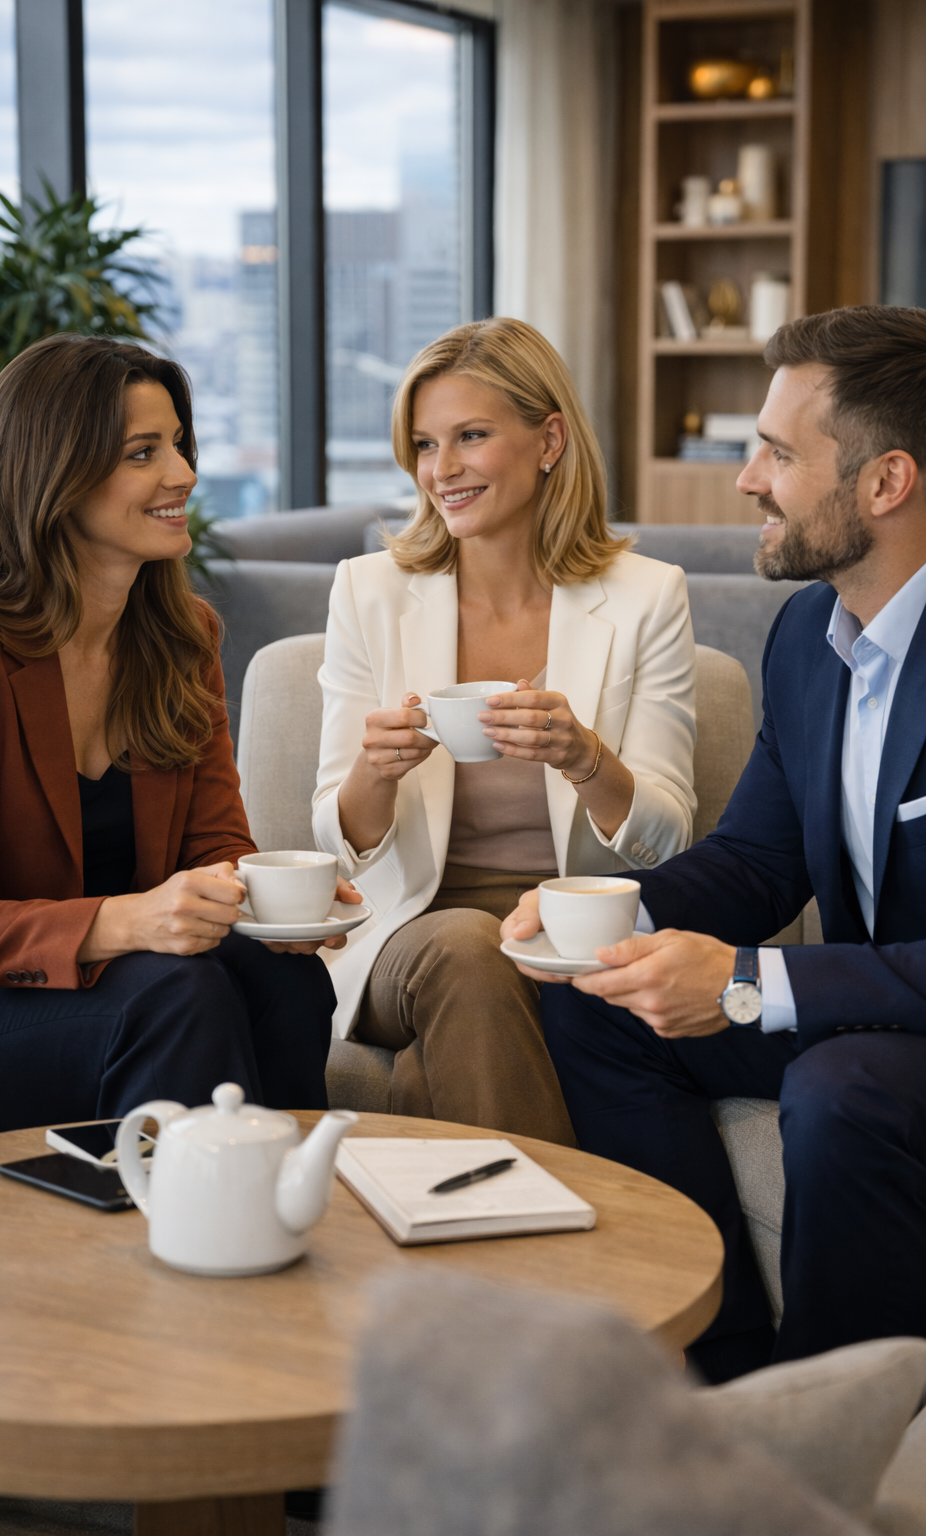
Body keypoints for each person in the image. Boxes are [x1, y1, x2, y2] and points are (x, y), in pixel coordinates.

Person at [502, 305, 926, 1381]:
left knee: (843, 1088)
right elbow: (759, 861)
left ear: (885, 482)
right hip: (888, 1010)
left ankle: (826, 1440)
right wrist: (606, 916)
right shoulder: (809, 639)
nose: (745, 481)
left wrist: (754, 984)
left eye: (775, 452)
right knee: (591, 1003)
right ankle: (715, 1374)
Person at [313, 317, 696, 1142]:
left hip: (569, 932)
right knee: (469, 948)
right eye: (423, 445)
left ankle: (473, 1221)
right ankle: (553, 1254)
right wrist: (374, 773)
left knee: (452, 1041)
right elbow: (337, 843)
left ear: (549, 438)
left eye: (471, 436)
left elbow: (669, 840)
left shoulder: (646, 597)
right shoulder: (369, 591)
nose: (440, 470)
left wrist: (585, 758)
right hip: (410, 933)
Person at [0, 334, 353, 1133]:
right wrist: (127, 922)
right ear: (54, 479)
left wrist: (278, 904)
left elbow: (214, 850)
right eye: (145, 453)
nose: (184, 475)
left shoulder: (181, 636)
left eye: (178, 445)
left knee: (287, 982)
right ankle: (179, 1240)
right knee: (180, 993)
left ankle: (284, 1214)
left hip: (128, 987)